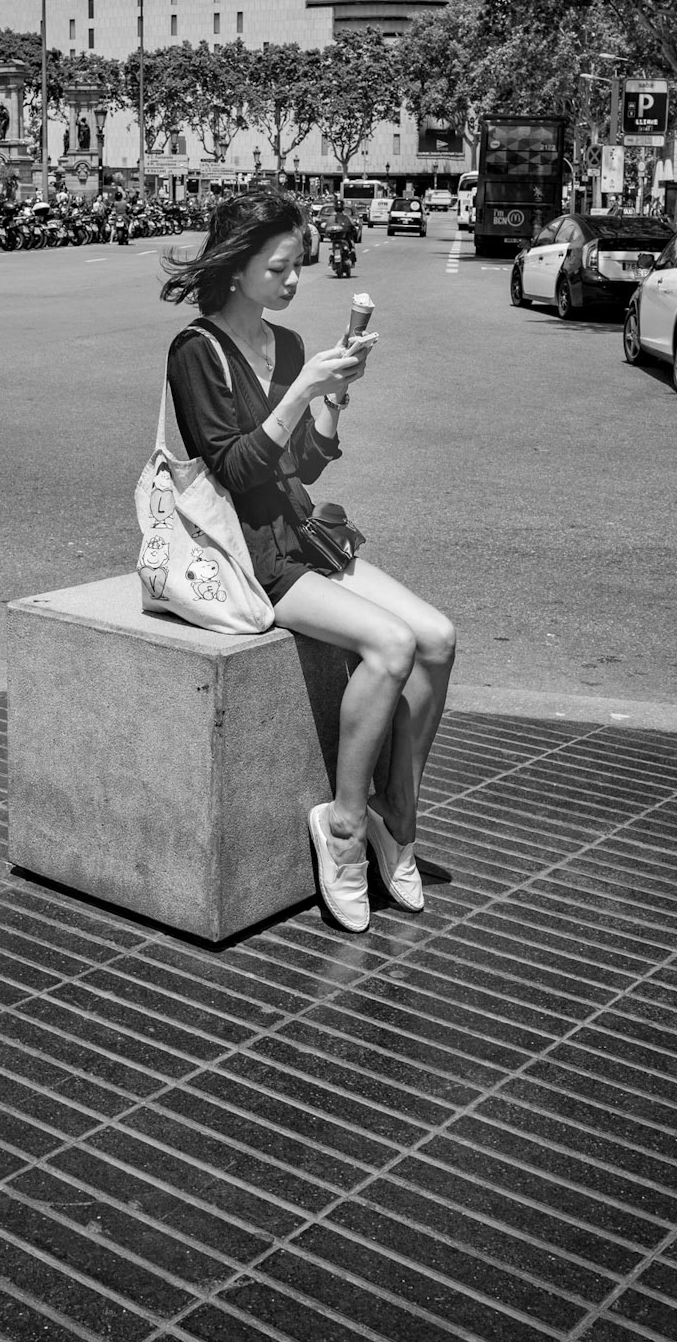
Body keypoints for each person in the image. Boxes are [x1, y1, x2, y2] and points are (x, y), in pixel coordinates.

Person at [160, 189, 456, 934]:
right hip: (249, 552)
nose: (292, 282)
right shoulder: (197, 351)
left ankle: (398, 813)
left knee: (437, 637)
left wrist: (331, 400)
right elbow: (235, 470)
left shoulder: (290, 346)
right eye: (278, 268)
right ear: (236, 267)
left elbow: (302, 468)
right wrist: (298, 393)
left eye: (299, 266)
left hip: (305, 533)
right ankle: (347, 827)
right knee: (388, 646)